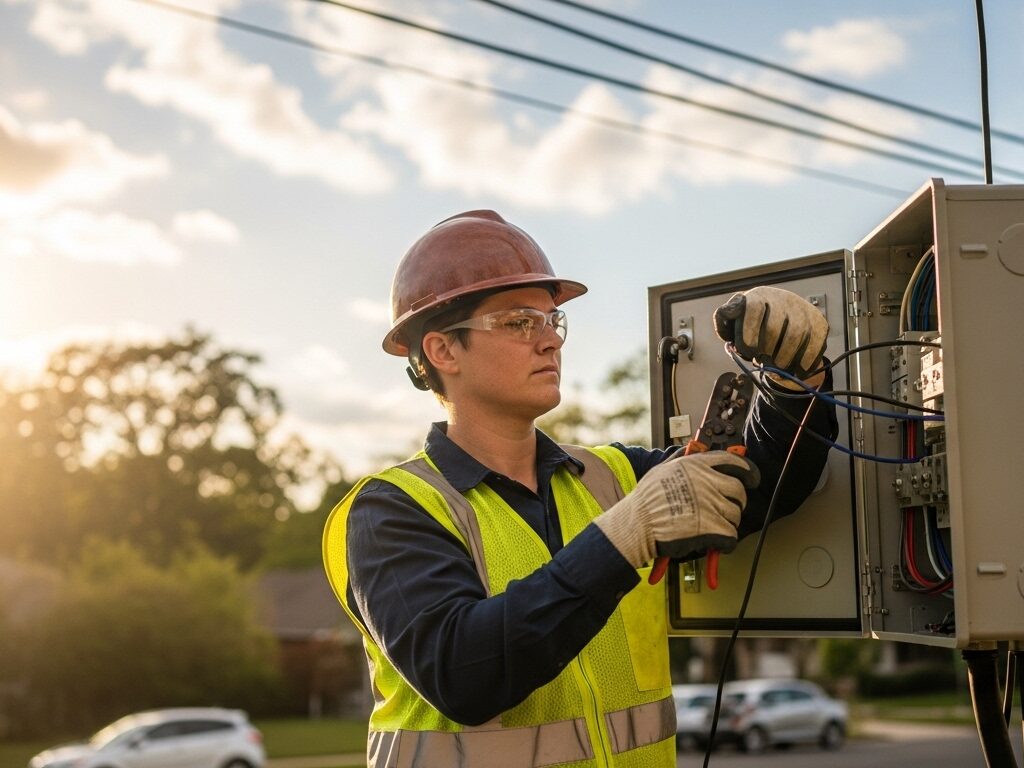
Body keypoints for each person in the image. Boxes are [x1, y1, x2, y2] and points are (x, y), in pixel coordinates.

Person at [323, 210, 838, 767]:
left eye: (553, 321)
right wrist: (624, 536)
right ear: (443, 351)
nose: (550, 341)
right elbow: (462, 675)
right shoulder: (392, 510)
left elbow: (761, 481)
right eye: (520, 322)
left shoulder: (612, 475)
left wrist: (797, 382)